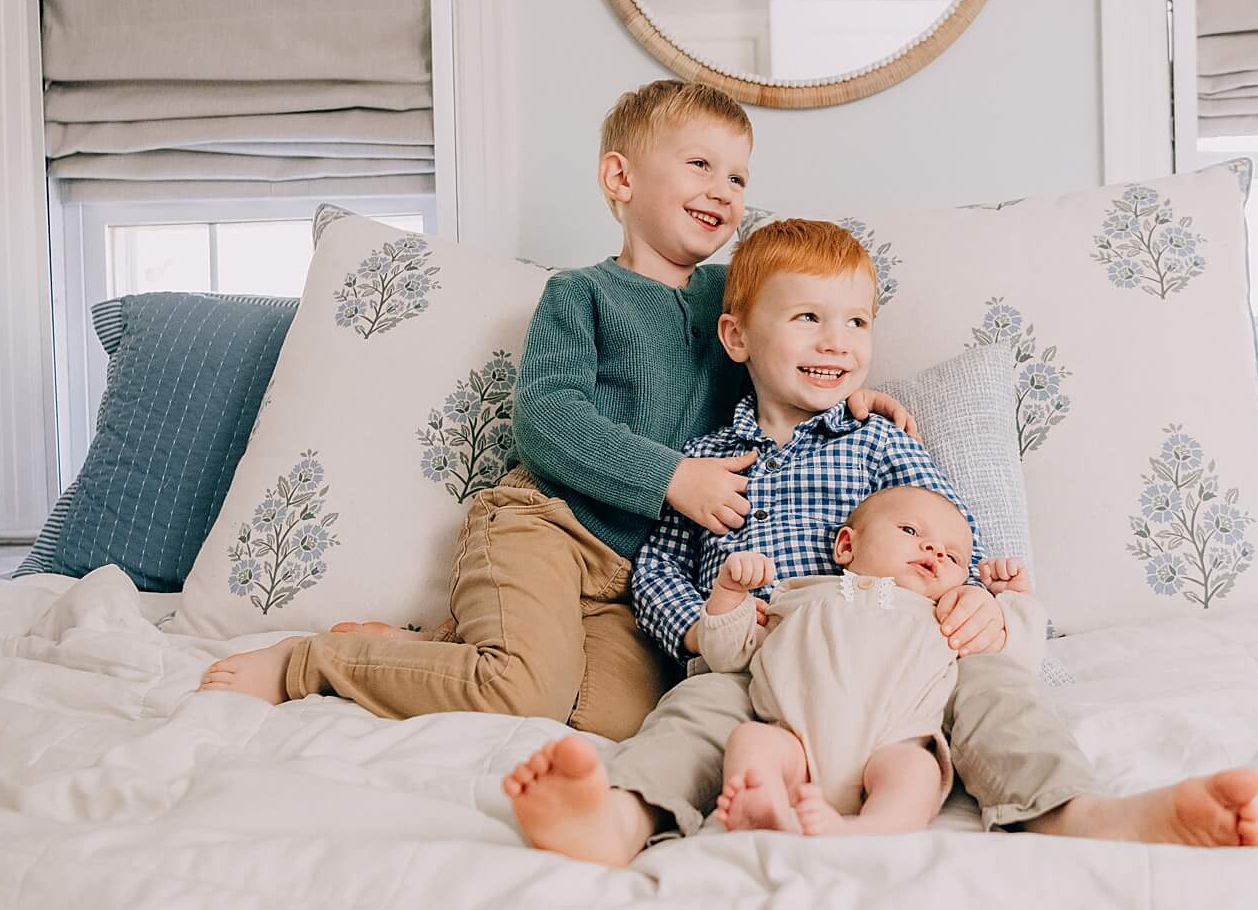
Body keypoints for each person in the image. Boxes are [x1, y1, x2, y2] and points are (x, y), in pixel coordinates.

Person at [502, 219, 1258, 862]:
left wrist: (976, 597)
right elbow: (659, 567)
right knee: (696, 710)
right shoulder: (707, 460)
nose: (836, 342)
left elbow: (952, 531)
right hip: (766, 658)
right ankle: (621, 816)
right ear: (735, 336)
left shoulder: (878, 440)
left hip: (906, 653)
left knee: (996, 694)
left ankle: (1080, 812)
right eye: (808, 319)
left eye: (857, 323)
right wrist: (701, 627)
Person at [197, 83, 914, 741]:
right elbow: (546, 418)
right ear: (621, 178)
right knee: (523, 693)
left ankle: (438, 649)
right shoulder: (582, 295)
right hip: (546, 525)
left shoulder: (737, 297)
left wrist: (843, 394)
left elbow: (791, 345)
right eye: (700, 164)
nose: (722, 191)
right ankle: (310, 661)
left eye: (738, 177)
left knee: (616, 722)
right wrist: (672, 477)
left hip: (634, 576)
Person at [697, 487, 1037, 838]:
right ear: (847, 545)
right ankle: (767, 804)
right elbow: (728, 655)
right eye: (910, 530)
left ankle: (869, 827)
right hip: (794, 744)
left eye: (952, 557)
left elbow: (1014, 662)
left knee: (919, 770)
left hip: (892, 748)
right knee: (751, 740)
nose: (935, 550)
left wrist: (1014, 600)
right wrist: (730, 595)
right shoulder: (797, 598)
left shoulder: (946, 618)